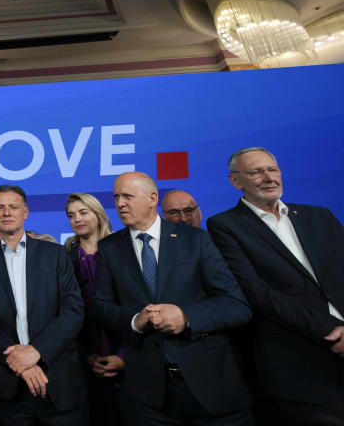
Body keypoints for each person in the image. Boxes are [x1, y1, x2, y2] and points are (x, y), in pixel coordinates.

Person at [93, 172, 253, 424]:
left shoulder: (196, 239)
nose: (120, 203)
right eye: (116, 197)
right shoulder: (109, 248)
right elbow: (100, 307)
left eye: (127, 196)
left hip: (211, 383)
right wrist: (136, 319)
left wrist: (186, 316)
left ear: (152, 198)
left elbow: (235, 305)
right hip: (150, 394)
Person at [207, 147, 344, 425]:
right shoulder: (225, 226)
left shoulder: (320, 216)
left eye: (273, 169)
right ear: (236, 181)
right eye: (257, 172)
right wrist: (329, 330)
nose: (268, 177)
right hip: (303, 362)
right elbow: (257, 291)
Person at [0, 185, 86, 425]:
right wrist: (17, 361)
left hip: (57, 380)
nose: (6, 213)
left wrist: (36, 351)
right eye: (0, 208)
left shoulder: (54, 254)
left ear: (26, 212)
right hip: (8, 385)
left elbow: (73, 310)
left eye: (13, 207)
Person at [63, 193, 136, 426]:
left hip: (130, 352)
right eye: (71, 215)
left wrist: (124, 356)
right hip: (84, 355)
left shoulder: (123, 250)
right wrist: (87, 356)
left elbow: (137, 305)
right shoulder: (65, 259)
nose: (77, 219)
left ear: (98, 214)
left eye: (83, 212)